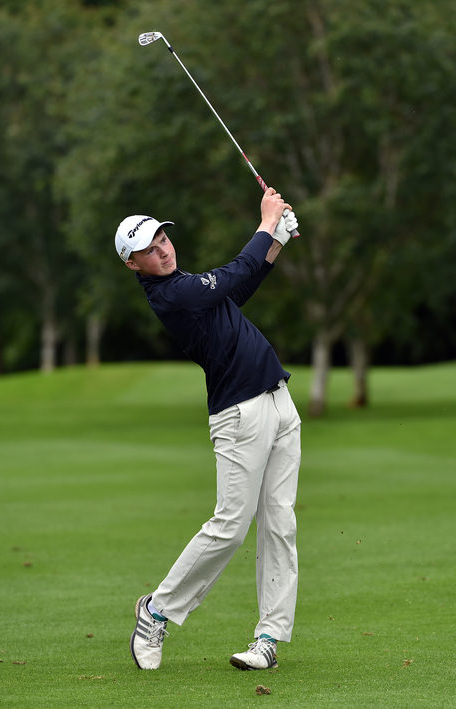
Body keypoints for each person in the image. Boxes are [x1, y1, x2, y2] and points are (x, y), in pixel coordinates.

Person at [114, 187, 301, 671]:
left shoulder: (189, 284)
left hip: (279, 403)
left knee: (280, 525)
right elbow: (232, 276)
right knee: (229, 527)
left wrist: (277, 240)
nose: (162, 250)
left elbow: (237, 287)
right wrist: (265, 225)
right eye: (149, 251)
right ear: (133, 265)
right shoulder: (171, 295)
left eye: (162, 240)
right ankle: (155, 612)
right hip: (239, 416)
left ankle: (268, 639)